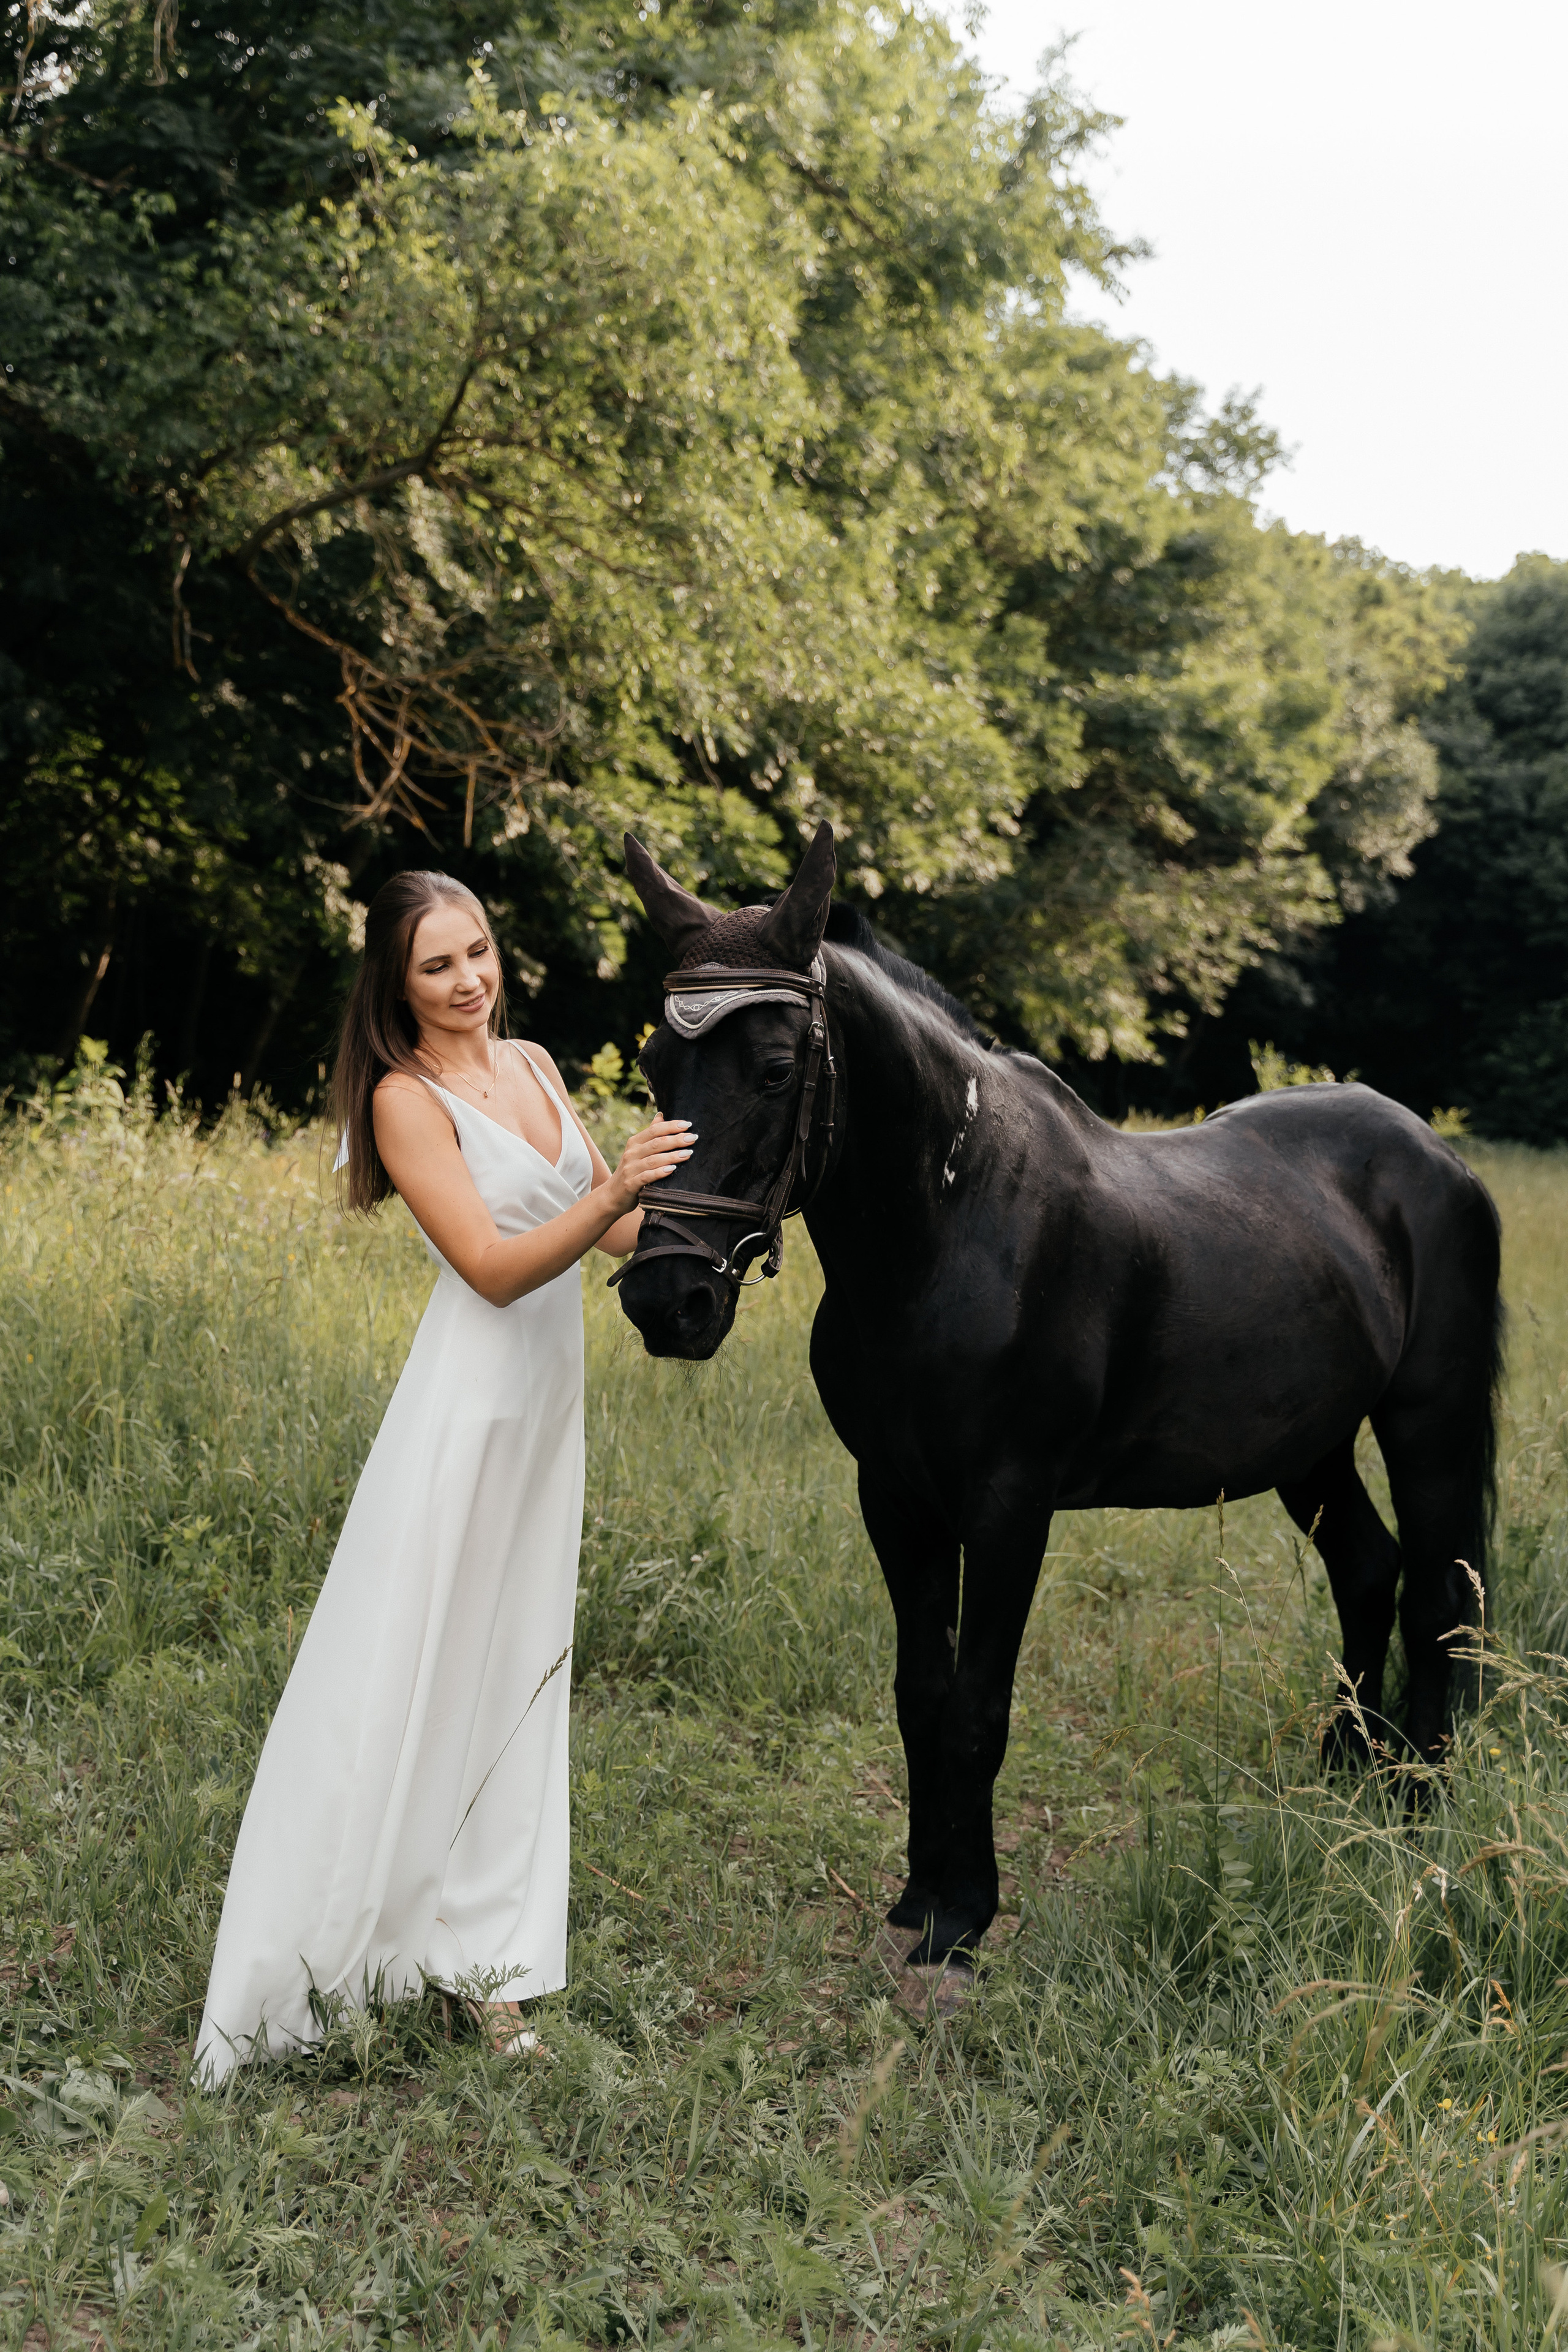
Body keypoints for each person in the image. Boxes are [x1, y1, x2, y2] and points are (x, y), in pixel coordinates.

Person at [194, 870, 692, 2081]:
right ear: (395, 983)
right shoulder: (401, 1099)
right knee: (408, 1673)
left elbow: (609, 1230)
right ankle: (321, 1955)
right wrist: (613, 1188)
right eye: (437, 966)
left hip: (543, 1418)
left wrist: (702, 1201)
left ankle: (489, 1971)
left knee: (514, 1677)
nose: (469, 980)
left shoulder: (527, 1065)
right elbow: (495, 1268)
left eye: (477, 953)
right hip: (464, 1412)